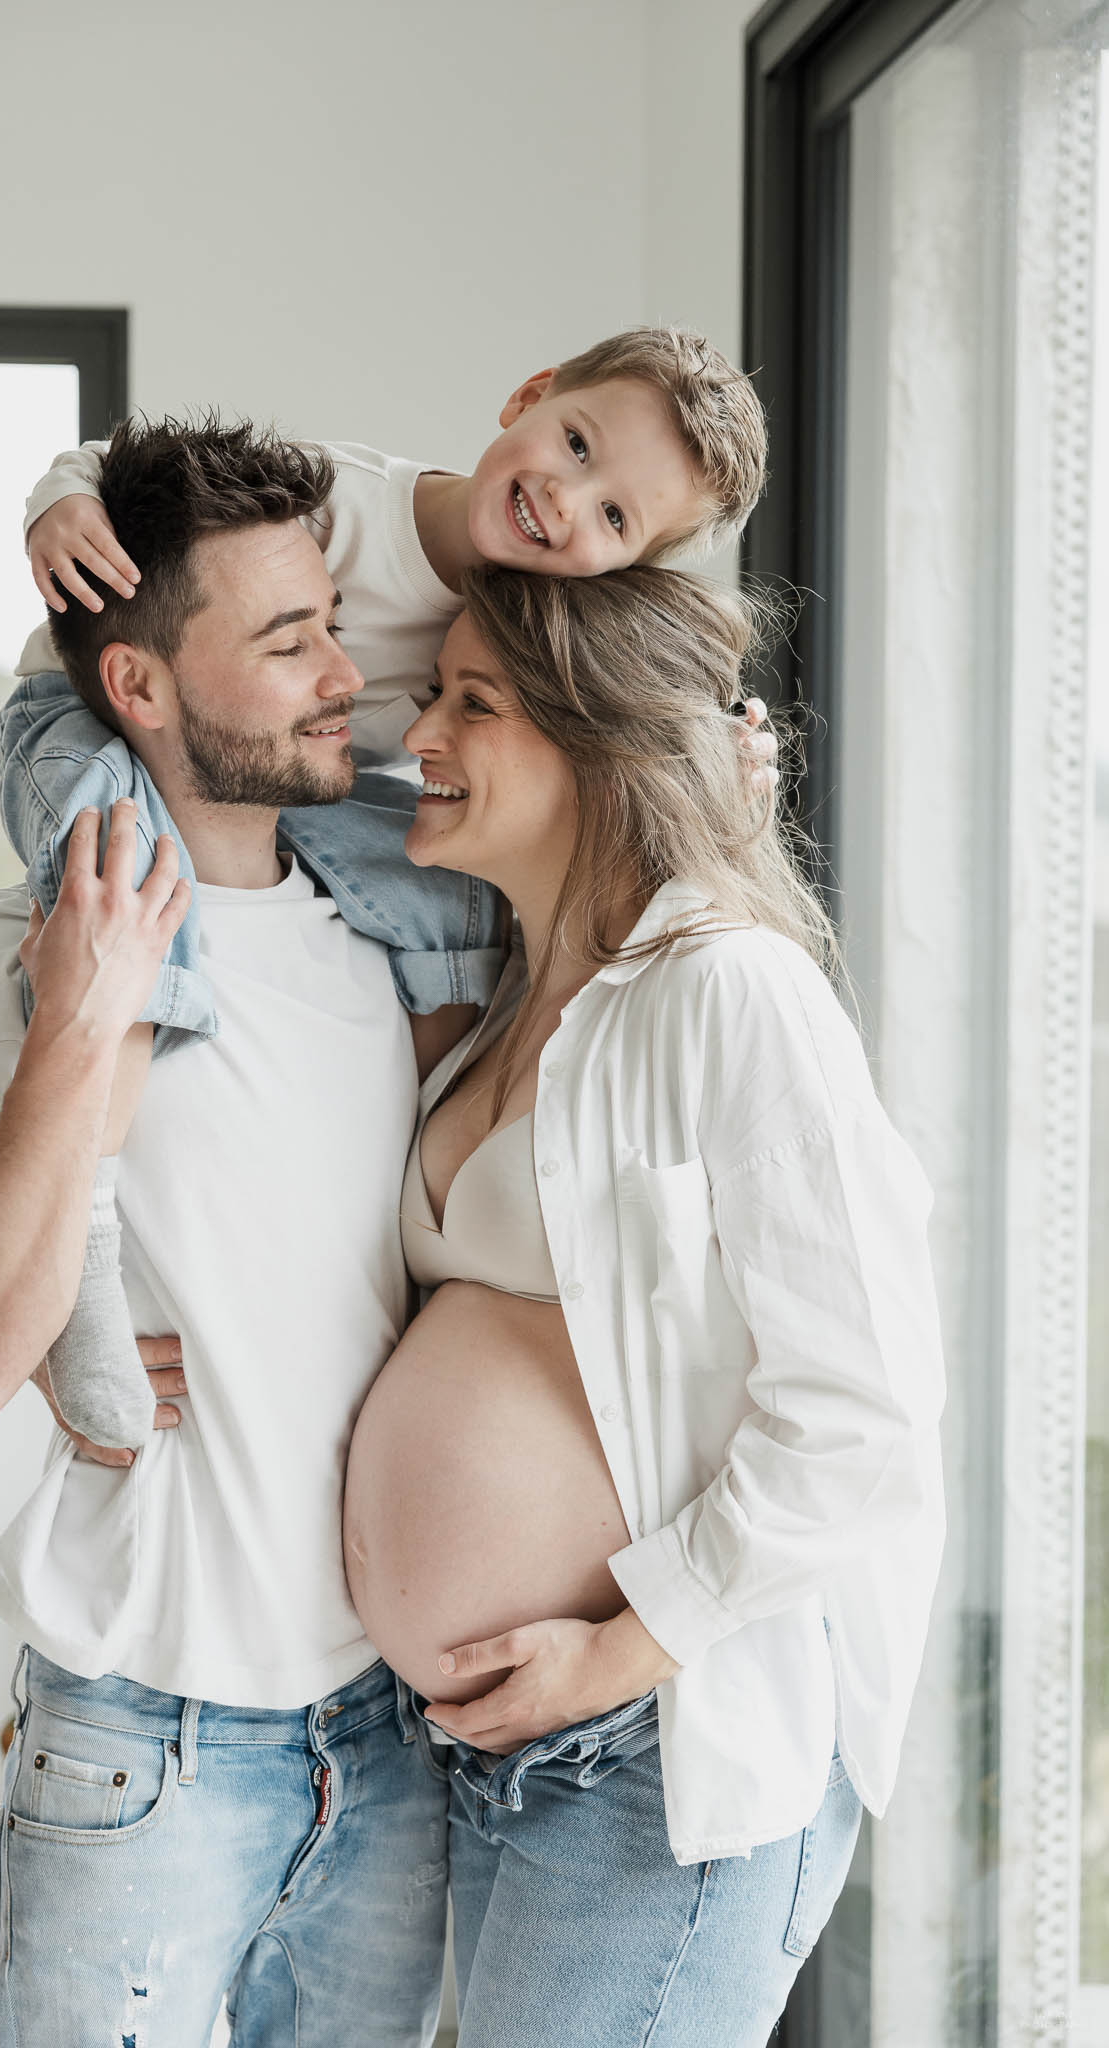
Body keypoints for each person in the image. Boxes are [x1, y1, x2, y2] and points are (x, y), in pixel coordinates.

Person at [0, 418, 502, 2048]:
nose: (341, 675)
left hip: (391, 1731)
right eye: (287, 638)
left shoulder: (393, 939)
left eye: (333, 623)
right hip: (141, 1740)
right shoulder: (15, 954)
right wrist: (81, 1026)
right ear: (141, 690)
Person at [340, 565, 947, 2046]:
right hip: (494, 1748)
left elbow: (862, 1412)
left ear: (601, 745)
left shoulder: (729, 990)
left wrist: (617, 1648)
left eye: (471, 702)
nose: (415, 729)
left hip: (655, 1744)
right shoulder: (503, 993)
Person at [1, 325, 772, 1450]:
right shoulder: (343, 504)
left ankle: (407, 1157)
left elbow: (628, 700)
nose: (566, 501)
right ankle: (90, 1252)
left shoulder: (531, 614)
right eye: (573, 443)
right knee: (122, 889)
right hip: (88, 721)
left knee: (449, 898)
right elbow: (122, 469)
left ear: (630, 563)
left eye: (614, 517)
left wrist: (726, 754)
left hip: (313, 789)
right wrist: (60, 505)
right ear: (531, 391)